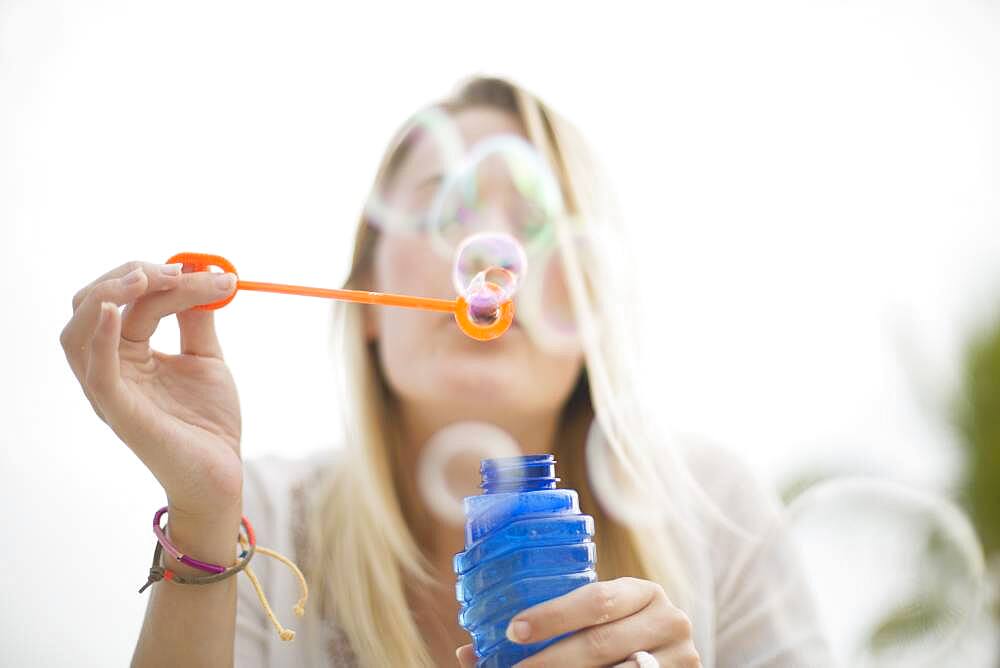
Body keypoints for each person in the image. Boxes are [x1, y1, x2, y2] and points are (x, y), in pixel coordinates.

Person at [59, 76, 833, 667]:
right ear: (364, 303)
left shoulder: (715, 512)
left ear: (592, 301)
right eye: (444, 211)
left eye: (537, 221)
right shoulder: (258, 520)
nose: (494, 258)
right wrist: (202, 509)